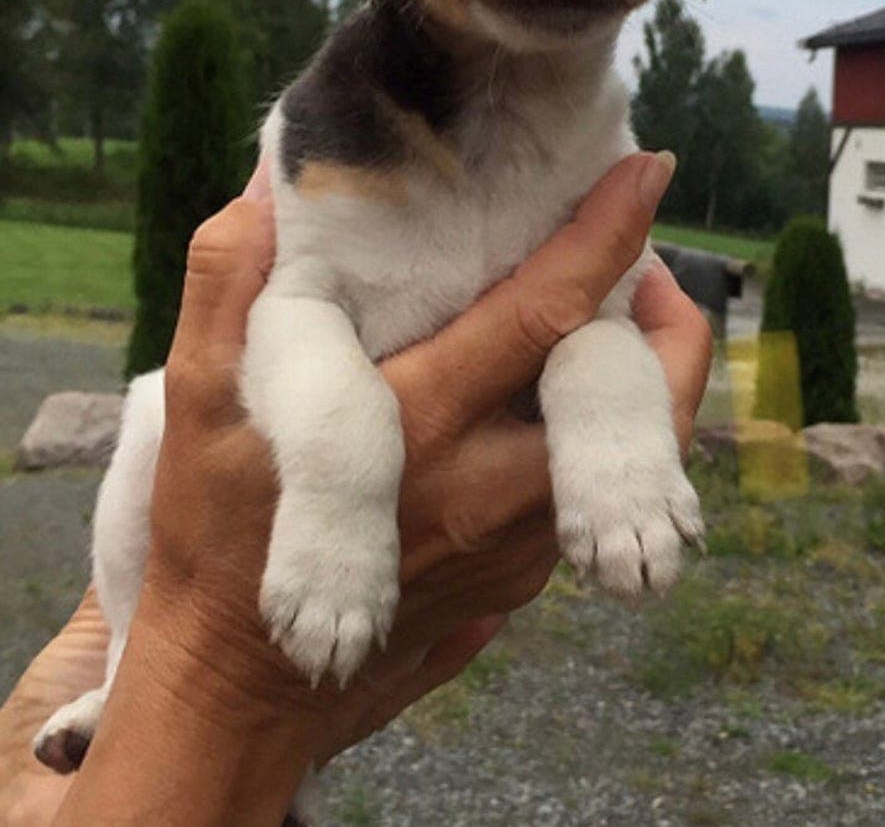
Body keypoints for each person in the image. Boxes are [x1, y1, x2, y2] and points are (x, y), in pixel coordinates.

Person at [0, 151, 710, 826]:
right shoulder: (357, 153)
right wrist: (201, 672)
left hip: (367, 588)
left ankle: (230, 745)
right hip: (290, 472)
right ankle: (128, 683)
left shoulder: (579, 167)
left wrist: (613, 429)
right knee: (154, 406)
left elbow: (594, 325)